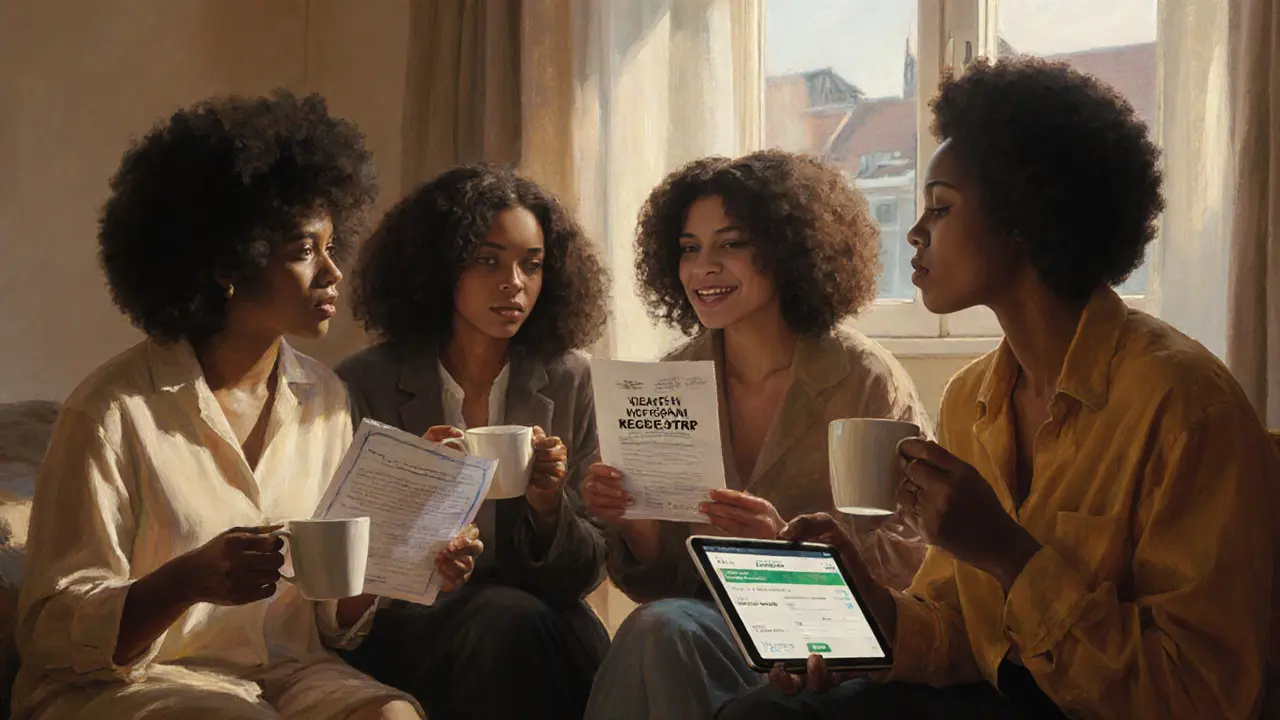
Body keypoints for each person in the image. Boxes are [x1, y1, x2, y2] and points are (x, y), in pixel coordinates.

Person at [719, 56, 1280, 720]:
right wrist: (870, 605)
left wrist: (1010, 554)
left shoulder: (1185, 407)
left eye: (942, 208)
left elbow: (1202, 697)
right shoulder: (971, 399)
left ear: (1025, 217)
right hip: (994, 700)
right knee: (762, 712)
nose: (915, 232)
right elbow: (959, 634)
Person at [12, 91, 484, 720]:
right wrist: (184, 583)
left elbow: (329, 619)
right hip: (133, 684)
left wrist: (405, 554)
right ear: (229, 264)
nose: (333, 273)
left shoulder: (326, 400)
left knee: (394, 716)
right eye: (303, 250)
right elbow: (50, 632)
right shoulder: (112, 412)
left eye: (331, 245)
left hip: (288, 675)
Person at [581, 149, 931, 720]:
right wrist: (637, 526)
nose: (704, 268)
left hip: (830, 640)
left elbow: (912, 558)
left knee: (661, 635)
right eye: (690, 249)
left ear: (786, 249)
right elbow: (664, 586)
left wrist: (788, 547)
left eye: (731, 243)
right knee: (659, 627)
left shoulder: (864, 378)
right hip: (706, 633)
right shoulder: (668, 382)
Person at [334, 163, 612, 720]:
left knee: (572, 635)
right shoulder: (365, 382)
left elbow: (586, 571)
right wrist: (421, 491)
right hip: (409, 622)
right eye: (488, 260)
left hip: (532, 618)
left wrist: (549, 505)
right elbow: (345, 564)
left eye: (531, 266)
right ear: (440, 266)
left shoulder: (570, 379)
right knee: (508, 620)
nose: (514, 283)